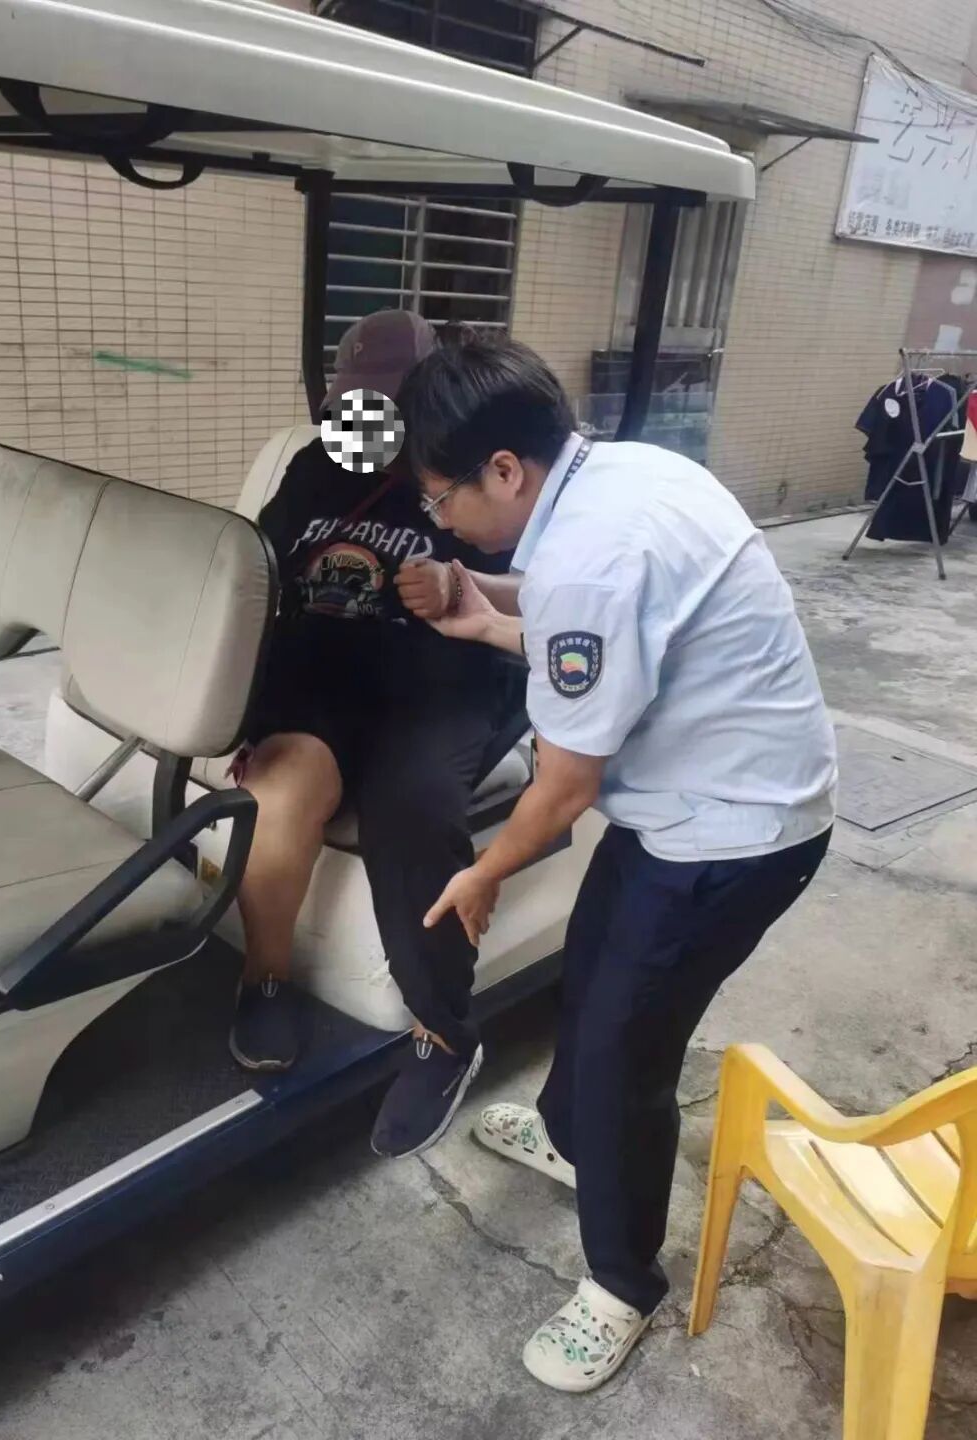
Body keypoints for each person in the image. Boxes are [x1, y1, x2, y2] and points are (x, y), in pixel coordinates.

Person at [395, 337, 838, 1394]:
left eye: (441, 497)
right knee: (592, 970)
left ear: (507, 469)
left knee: (625, 1054)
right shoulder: (618, 473)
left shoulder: (592, 556)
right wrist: (482, 608)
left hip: (733, 837)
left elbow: (561, 789)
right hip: (688, 803)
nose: (437, 520)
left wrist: (484, 872)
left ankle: (623, 1283)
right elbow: (597, 631)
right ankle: (567, 1136)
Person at [229, 310, 521, 1160]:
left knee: (412, 809)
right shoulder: (322, 464)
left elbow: (532, 584)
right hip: (321, 678)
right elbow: (258, 569)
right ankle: (265, 981)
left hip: (440, 683)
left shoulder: (472, 465)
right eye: (358, 404)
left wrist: (460, 583)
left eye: (392, 403)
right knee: (282, 787)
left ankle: (443, 1033)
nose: (374, 422)